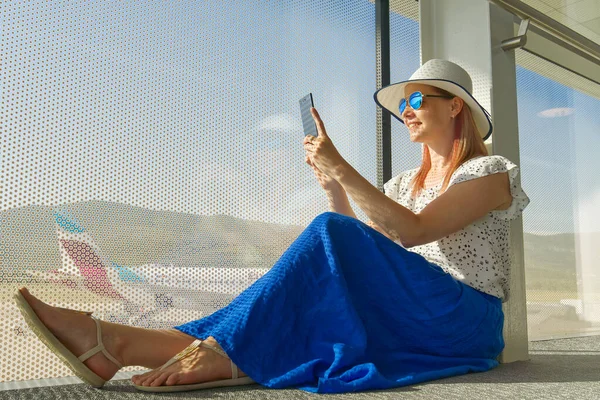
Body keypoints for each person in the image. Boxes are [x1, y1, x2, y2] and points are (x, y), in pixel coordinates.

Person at [15, 59, 530, 394]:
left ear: (455, 105)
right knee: (326, 237)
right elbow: (356, 239)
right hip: (414, 306)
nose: (406, 112)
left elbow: (413, 232)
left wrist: (343, 167)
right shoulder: (400, 184)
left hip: (463, 318)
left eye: (416, 100)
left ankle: (212, 352)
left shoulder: (490, 173)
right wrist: (330, 181)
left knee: (326, 237)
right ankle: (114, 343)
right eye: (402, 106)